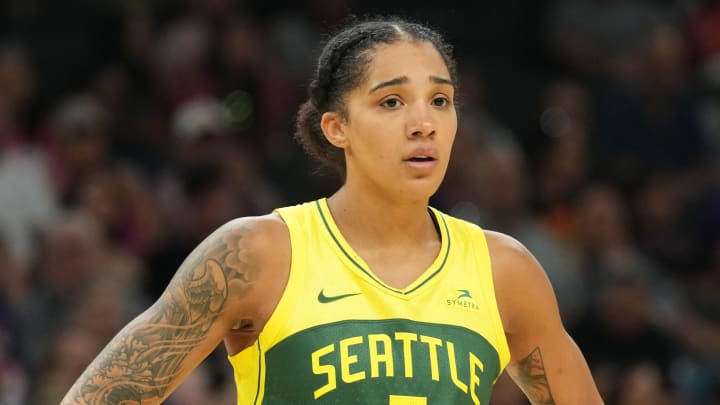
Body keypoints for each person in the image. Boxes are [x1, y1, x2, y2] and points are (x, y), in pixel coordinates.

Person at [61, 17, 603, 404]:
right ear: (336, 127)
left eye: (440, 100)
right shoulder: (256, 253)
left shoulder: (504, 270)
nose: (424, 123)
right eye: (391, 101)